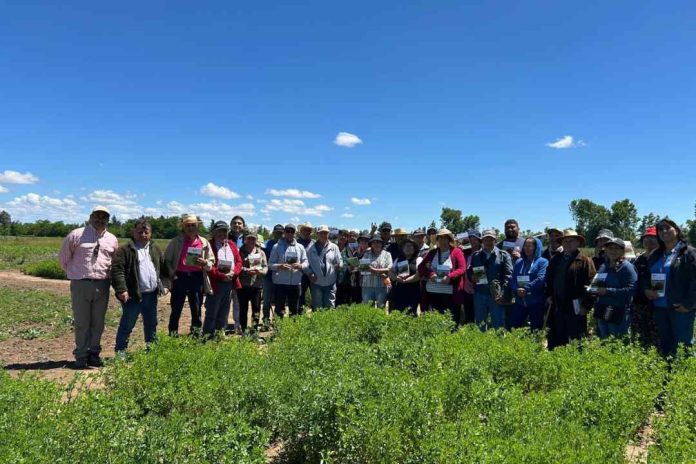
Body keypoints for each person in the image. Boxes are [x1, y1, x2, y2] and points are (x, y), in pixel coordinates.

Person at [59, 206, 119, 368]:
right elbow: (63, 259)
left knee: (98, 322)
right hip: (81, 284)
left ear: (108, 219)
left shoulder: (112, 239)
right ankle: (81, 355)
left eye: (104, 217)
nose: (100, 220)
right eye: (97, 216)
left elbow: (114, 262)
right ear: (90, 216)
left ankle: (94, 355)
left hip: (102, 284)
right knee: (81, 322)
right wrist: (77, 274)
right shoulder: (76, 235)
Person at [111, 219, 171, 356]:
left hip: (151, 295)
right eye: (140, 231)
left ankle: (151, 351)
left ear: (150, 233)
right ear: (134, 232)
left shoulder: (154, 248)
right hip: (133, 295)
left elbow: (163, 269)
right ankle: (120, 352)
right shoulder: (125, 249)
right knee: (127, 324)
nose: (143, 234)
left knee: (151, 324)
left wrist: (166, 285)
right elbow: (117, 270)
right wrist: (121, 289)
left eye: (146, 232)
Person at [642, 219, 696, 357]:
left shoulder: (688, 253)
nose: (664, 231)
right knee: (665, 344)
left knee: (683, 346)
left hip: (680, 308)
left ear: (676, 230)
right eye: (660, 229)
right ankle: (667, 375)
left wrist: (688, 304)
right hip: (660, 307)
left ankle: (684, 376)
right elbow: (645, 276)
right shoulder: (655, 254)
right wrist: (647, 289)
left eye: (667, 228)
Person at [164, 214, 215, 336]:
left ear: (197, 226)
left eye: (193, 225)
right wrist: (172, 275)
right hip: (179, 277)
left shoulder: (203, 242)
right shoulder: (176, 241)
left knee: (196, 308)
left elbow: (211, 260)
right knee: (176, 308)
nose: (190, 228)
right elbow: (167, 260)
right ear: (183, 227)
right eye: (187, 225)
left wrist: (205, 263)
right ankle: (172, 334)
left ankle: (196, 334)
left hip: (197, 277)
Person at [545, 229, 596, 350]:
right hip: (557, 306)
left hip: (576, 307)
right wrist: (548, 295)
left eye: (571, 241)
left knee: (576, 340)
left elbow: (592, 285)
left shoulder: (585, 261)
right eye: (565, 241)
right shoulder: (556, 260)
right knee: (557, 338)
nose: (568, 243)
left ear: (578, 243)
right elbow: (549, 280)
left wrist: (586, 306)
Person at [590, 238, 636, 339]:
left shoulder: (627, 267)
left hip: (618, 311)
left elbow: (631, 290)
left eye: (617, 248)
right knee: (604, 342)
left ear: (622, 251)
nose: (613, 251)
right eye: (610, 248)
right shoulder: (603, 266)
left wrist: (607, 291)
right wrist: (592, 288)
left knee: (617, 344)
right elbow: (598, 283)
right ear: (605, 250)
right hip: (602, 309)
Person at [418, 229, 468, 325]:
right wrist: (430, 274)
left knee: (452, 321)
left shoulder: (456, 252)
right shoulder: (432, 252)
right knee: (437, 321)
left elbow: (462, 268)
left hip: (450, 294)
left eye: (445, 238)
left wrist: (450, 276)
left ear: (449, 239)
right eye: (440, 238)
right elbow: (421, 267)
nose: (442, 240)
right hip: (434, 292)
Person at [202, 221, 242, 337]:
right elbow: (209, 266)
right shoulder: (209, 245)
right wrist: (221, 275)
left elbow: (239, 261)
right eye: (219, 231)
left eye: (224, 231)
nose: (222, 233)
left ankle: (219, 335)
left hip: (229, 282)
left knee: (224, 311)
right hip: (216, 283)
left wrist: (234, 273)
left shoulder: (232, 245)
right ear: (214, 232)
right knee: (212, 311)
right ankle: (207, 336)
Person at [468, 229, 513, 331]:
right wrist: (472, 277)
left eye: (491, 239)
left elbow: (509, 276)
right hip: (480, 294)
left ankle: (500, 346)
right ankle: (482, 345)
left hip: (496, 295)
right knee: (480, 323)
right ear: (482, 241)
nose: (488, 242)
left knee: (498, 324)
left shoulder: (504, 255)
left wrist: (503, 294)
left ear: (495, 240)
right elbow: (469, 270)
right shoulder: (476, 256)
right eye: (485, 239)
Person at [269, 224, 309, 317]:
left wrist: (300, 266)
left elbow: (306, 262)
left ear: (295, 233)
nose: (290, 233)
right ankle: (279, 329)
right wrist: (280, 266)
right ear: (284, 232)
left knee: (294, 309)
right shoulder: (276, 246)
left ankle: (293, 330)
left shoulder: (300, 247)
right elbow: (270, 264)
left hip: (295, 283)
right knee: (279, 309)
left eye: (292, 231)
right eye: (287, 231)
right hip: (280, 283)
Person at [509, 237, 548, 330]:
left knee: (536, 329)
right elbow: (512, 278)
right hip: (520, 301)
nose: (527, 248)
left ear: (536, 247)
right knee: (514, 327)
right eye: (525, 245)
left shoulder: (542, 262)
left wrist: (526, 288)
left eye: (530, 246)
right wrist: (516, 289)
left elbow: (541, 278)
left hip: (536, 301)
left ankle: (535, 344)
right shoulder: (519, 262)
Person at [631, 227, 660, 347]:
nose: (649, 241)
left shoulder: (663, 258)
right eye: (646, 238)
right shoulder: (638, 259)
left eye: (653, 238)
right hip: (639, 303)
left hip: (657, 304)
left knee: (657, 334)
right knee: (639, 334)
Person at [306, 225, 343, 310]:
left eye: (325, 233)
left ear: (328, 234)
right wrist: (309, 273)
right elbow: (305, 264)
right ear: (317, 234)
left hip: (331, 282)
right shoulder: (310, 248)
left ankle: (329, 323)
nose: (323, 235)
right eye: (321, 233)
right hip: (316, 282)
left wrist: (339, 265)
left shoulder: (334, 247)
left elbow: (340, 260)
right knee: (317, 307)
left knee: (330, 307)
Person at [237, 233, 268, 332]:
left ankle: (254, 331)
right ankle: (244, 331)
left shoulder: (261, 252)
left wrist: (262, 272)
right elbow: (237, 266)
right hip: (243, 285)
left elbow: (265, 266)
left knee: (256, 309)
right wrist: (246, 270)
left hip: (257, 285)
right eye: (249, 239)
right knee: (243, 309)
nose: (251, 241)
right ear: (245, 239)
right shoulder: (239, 251)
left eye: (253, 239)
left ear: (256, 240)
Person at [360, 235, 393, 308]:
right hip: (367, 286)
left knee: (380, 309)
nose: (376, 244)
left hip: (381, 286)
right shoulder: (366, 254)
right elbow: (363, 268)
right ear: (371, 244)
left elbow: (390, 268)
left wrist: (374, 270)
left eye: (378, 242)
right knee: (367, 309)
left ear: (382, 244)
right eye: (374, 242)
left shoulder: (387, 254)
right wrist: (380, 272)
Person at [390, 238, 421, 315]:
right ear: (402, 249)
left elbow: (419, 274)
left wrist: (406, 281)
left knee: (411, 313)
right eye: (406, 246)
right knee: (398, 313)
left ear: (414, 249)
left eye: (410, 246)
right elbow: (390, 272)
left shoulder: (418, 259)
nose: (408, 248)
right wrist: (396, 278)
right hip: (399, 291)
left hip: (413, 291)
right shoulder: (398, 259)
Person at [261, 224, 284, 328]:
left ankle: (278, 321)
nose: (278, 234)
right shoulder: (266, 244)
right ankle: (266, 320)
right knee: (266, 300)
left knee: (279, 301)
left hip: (281, 277)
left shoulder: (285, 245)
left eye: (280, 233)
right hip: (268, 276)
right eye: (277, 232)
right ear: (273, 232)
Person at [336, 230, 361, 306]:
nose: (343, 237)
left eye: (345, 236)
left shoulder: (349, 250)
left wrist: (352, 268)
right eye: (341, 235)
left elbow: (354, 264)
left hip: (347, 281)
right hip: (333, 281)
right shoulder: (333, 248)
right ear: (338, 236)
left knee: (346, 304)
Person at [297, 222, 314, 312]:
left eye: (309, 230)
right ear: (301, 231)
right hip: (300, 274)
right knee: (300, 296)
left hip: (313, 274)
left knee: (315, 296)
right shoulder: (296, 243)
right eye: (305, 230)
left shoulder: (314, 243)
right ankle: (300, 317)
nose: (307, 232)